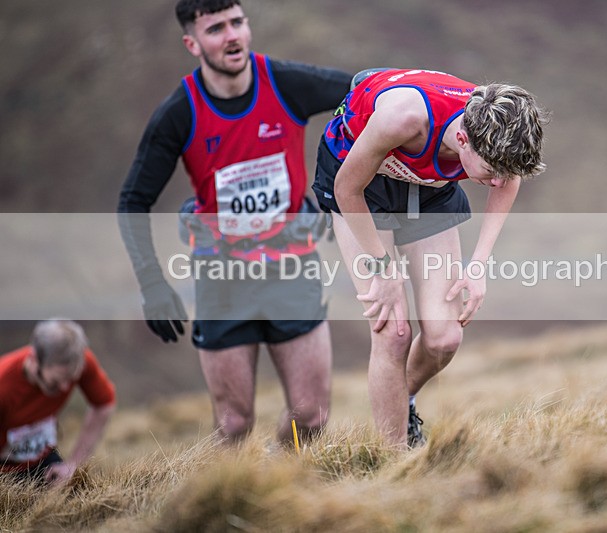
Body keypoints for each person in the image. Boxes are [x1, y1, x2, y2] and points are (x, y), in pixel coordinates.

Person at [117, 0, 351, 444]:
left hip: (293, 266)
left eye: (237, 23)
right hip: (222, 276)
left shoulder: (285, 83)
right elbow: (133, 200)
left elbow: (364, 94)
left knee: (312, 417)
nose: (231, 36)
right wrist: (152, 286)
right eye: (216, 28)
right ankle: (227, 503)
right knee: (235, 424)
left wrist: (332, 187)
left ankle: (284, 493)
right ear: (192, 42)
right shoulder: (179, 113)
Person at [313, 68, 548, 447]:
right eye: (490, 172)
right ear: (462, 139)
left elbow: (510, 176)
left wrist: (478, 266)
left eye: (503, 173)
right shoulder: (402, 118)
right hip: (359, 186)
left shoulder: (498, 134)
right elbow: (347, 188)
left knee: (444, 338)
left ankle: (399, 400)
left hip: (427, 189)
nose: (496, 182)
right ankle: (395, 460)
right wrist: (382, 268)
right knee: (393, 333)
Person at [0, 320, 116, 484]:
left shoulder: (80, 363)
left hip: (45, 461)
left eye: (71, 379)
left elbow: (104, 405)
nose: (65, 387)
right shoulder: (3, 385)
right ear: (34, 360)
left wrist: (74, 464)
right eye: (56, 381)